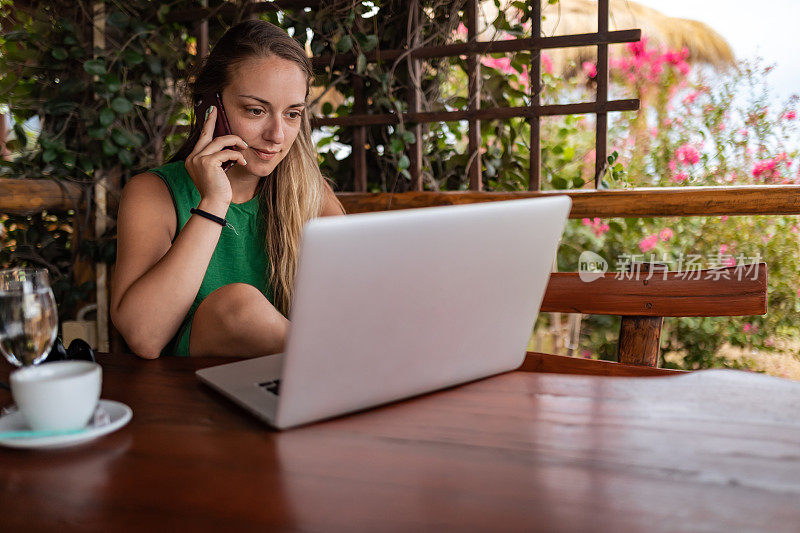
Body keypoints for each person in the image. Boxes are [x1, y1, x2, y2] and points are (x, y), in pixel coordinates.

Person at [111, 20, 344, 359]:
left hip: (281, 390)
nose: (277, 135)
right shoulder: (154, 193)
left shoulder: (309, 194)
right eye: (256, 110)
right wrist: (214, 201)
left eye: (292, 114)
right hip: (188, 394)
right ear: (211, 108)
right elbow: (144, 336)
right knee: (238, 304)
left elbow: (355, 307)